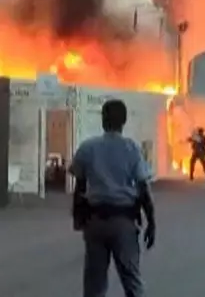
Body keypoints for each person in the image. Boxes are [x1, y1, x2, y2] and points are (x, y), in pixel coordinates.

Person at [70, 99, 155, 297]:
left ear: (103, 119)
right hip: (123, 221)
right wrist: (151, 222)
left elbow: (80, 186)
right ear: (124, 121)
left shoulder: (88, 148)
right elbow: (143, 188)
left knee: (94, 282)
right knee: (131, 278)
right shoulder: (131, 149)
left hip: (95, 221)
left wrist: (78, 217)